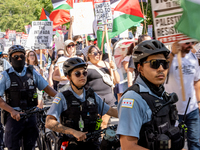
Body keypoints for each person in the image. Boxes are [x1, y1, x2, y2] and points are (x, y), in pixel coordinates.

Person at [117, 40, 185, 150]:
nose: (161, 69)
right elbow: (128, 147)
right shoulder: (132, 99)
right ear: (140, 69)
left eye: (165, 64)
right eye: (154, 63)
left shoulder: (162, 94)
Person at [45, 57, 118, 150]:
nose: (82, 76)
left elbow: (110, 111)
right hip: (72, 144)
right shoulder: (62, 96)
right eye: (77, 73)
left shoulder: (92, 95)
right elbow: (49, 122)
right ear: (68, 77)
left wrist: (129, 114)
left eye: (84, 73)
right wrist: (73, 132)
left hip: (93, 143)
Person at [0, 45, 57, 150]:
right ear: (10, 59)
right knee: (12, 147)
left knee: (30, 146)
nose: (19, 59)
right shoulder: (5, 75)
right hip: (14, 118)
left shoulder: (32, 73)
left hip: (31, 116)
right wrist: (12, 111)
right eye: (15, 57)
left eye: (21, 56)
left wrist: (62, 97)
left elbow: (47, 89)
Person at [165, 41, 200, 150]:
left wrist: (199, 102)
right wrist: (172, 55)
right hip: (172, 111)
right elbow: (162, 76)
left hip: (192, 109)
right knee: (175, 144)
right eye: (187, 43)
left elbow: (196, 82)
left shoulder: (193, 57)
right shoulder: (167, 58)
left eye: (192, 42)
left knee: (195, 142)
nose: (190, 45)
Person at [85, 46, 120, 129]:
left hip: (108, 98)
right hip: (94, 99)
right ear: (89, 55)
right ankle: (97, 140)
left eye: (100, 53)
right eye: (95, 53)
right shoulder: (86, 66)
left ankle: (103, 140)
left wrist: (113, 68)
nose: (98, 55)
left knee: (104, 123)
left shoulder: (106, 64)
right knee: (96, 124)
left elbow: (117, 80)